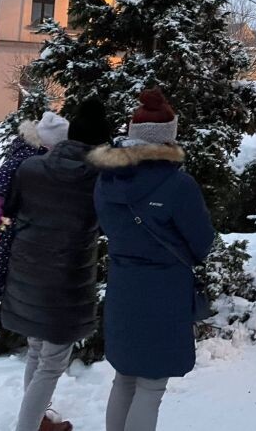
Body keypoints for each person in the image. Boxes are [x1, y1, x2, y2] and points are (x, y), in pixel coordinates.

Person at [92, 87, 215, 431]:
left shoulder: (106, 181)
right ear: (168, 140)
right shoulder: (178, 185)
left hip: (122, 286)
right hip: (164, 291)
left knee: (124, 378)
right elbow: (202, 241)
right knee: (152, 385)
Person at [1, 99, 112, 431]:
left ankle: (39, 421)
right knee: (52, 363)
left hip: (25, 272)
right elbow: (107, 223)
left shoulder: (31, 168)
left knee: (36, 350)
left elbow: (8, 210)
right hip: (65, 282)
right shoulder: (99, 179)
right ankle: (29, 426)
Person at [0, 112, 69, 322]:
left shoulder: (44, 157)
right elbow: (1, 180)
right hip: (12, 219)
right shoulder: (25, 156)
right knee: (2, 262)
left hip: (31, 221)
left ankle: (4, 304)